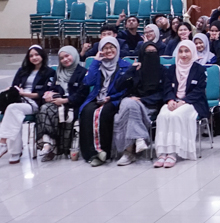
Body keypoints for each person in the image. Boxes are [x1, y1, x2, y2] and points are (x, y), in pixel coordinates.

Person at [154, 40, 208, 168]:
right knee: (163, 115)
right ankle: (162, 153)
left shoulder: (199, 69)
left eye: (187, 51)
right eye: (181, 51)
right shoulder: (172, 69)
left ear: (192, 52)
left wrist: (183, 101)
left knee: (176, 115)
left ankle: (173, 153)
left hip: (193, 102)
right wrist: (170, 100)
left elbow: (199, 91)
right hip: (174, 101)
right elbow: (167, 88)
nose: (183, 54)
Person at [77, 37, 131, 167]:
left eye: (111, 47)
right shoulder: (98, 65)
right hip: (96, 97)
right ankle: (90, 153)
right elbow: (88, 82)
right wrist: (96, 61)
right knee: (86, 112)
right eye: (105, 48)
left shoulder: (125, 66)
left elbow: (127, 89)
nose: (109, 50)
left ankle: (103, 151)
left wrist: (111, 98)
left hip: (114, 99)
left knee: (104, 113)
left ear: (117, 49)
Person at [0, 45, 56, 164]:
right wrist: (12, 90)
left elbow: (43, 94)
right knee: (13, 112)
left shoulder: (49, 72)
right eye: (31, 56)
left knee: (12, 108)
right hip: (19, 101)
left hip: (34, 103)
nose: (34, 57)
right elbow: (15, 85)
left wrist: (25, 94)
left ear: (42, 55)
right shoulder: (22, 71)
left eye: (37, 54)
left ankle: (3, 143)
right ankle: (15, 152)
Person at [112, 41, 162, 165]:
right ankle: (140, 137)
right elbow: (118, 86)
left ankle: (128, 153)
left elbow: (163, 93)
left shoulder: (162, 71)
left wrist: (142, 100)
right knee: (129, 104)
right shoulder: (136, 70)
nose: (150, 54)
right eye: (147, 52)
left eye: (153, 52)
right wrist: (131, 70)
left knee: (130, 108)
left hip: (149, 105)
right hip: (129, 100)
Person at [35, 46, 88, 161]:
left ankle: (51, 146)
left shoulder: (83, 72)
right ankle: (48, 143)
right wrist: (50, 94)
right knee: (44, 108)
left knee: (50, 111)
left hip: (73, 104)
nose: (65, 59)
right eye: (62, 58)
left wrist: (65, 100)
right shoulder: (58, 72)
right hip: (57, 102)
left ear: (74, 55)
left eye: (67, 56)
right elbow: (53, 87)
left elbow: (82, 94)